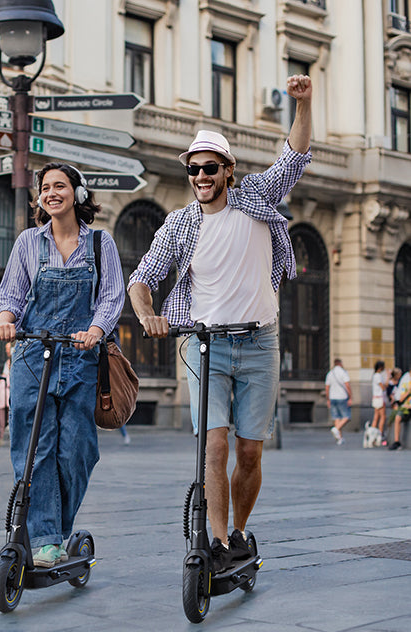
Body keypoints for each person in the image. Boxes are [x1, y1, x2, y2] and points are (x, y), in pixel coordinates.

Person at [128, 75, 313, 573]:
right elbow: (142, 280)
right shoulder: (180, 224)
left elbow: (294, 156)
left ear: (228, 171)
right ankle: (214, 540)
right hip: (204, 346)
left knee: (249, 452)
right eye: (193, 169)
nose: (200, 176)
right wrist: (148, 316)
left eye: (210, 167)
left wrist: (303, 103)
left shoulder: (255, 197)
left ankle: (237, 532)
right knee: (214, 442)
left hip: (259, 342)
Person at [0, 162, 124, 567]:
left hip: (83, 356)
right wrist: (5, 321)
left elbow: (112, 297)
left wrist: (98, 330)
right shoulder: (28, 242)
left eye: (60, 186)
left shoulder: (101, 244)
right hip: (33, 356)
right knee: (35, 448)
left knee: (77, 450)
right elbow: (12, 294)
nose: (51, 193)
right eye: (45, 187)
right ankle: (45, 536)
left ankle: (56, 529)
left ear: (77, 193)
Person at [325, 358, 352, 445]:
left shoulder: (330, 373)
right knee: (346, 417)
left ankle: (339, 438)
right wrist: (350, 397)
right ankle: (336, 429)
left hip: (332, 397)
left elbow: (327, 387)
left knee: (336, 417)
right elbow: (347, 385)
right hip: (342, 397)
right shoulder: (343, 372)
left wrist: (328, 399)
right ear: (340, 363)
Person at [388, 365, 411, 451]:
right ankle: (396, 442)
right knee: (398, 417)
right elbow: (400, 398)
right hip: (406, 407)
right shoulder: (405, 380)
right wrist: (408, 391)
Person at [0, 341, 11, 445]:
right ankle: (1, 433)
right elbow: (3, 377)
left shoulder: (15, 361)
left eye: (8, 349)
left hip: (10, 390)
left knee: (10, 410)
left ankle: (9, 433)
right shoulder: (7, 362)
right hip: (3, 390)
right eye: (6, 349)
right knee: (1, 410)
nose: (7, 351)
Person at [370, 360, 388, 444]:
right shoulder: (378, 376)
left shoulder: (374, 375)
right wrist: (388, 377)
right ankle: (380, 435)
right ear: (381, 367)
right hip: (380, 398)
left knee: (376, 417)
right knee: (382, 417)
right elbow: (383, 387)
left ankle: (372, 436)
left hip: (375, 398)